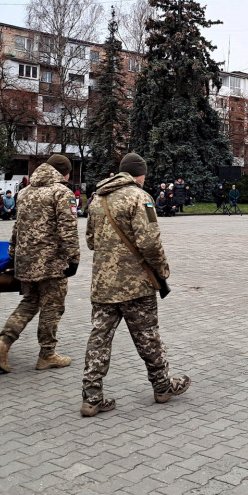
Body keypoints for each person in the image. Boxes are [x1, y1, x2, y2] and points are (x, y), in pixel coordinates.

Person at [81, 153, 189, 417]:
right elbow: (150, 242)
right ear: (140, 174)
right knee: (148, 335)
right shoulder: (140, 197)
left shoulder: (98, 198)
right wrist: (162, 271)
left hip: (103, 283)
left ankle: (92, 398)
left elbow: (91, 241)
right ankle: (162, 386)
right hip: (135, 284)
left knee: (99, 339)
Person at [0, 154, 79, 374]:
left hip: (26, 260)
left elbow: (17, 226)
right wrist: (73, 258)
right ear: (64, 173)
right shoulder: (61, 192)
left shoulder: (25, 192)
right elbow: (68, 229)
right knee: (52, 307)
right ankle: (47, 354)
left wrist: (12, 251)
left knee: (30, 302)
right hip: (51, 262)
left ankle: (3, 344)